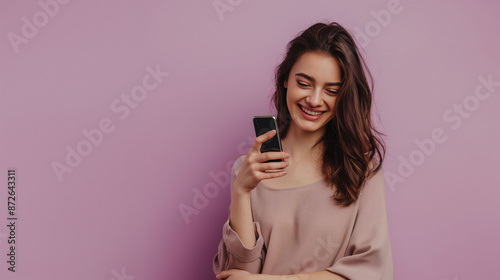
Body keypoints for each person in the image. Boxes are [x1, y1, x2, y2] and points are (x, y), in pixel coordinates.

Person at [213, 21, 393, 280]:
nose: (315, 100)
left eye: (331, 90)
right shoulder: (249, 168)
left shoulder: (362, 172)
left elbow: (372, 272)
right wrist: (241, 191)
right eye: (304, 83)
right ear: (286, 79)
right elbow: (238, 275)